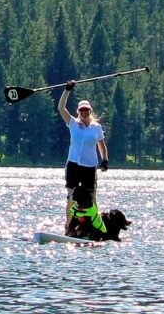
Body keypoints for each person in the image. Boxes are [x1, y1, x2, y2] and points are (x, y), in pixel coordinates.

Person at [58, 80, 108, 233]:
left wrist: (104, 160)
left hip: (89, 167)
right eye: (81, 111)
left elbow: (101, 145)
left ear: (90, 112)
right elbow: (61, 108)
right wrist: (67, 90)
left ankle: (94, 226)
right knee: (71, 197)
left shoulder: (96, 127)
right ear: (78, 112)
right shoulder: (72, 123)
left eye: (86, 111)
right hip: (73, 165)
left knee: (91, 197)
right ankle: (69, 227)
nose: (84, 113)